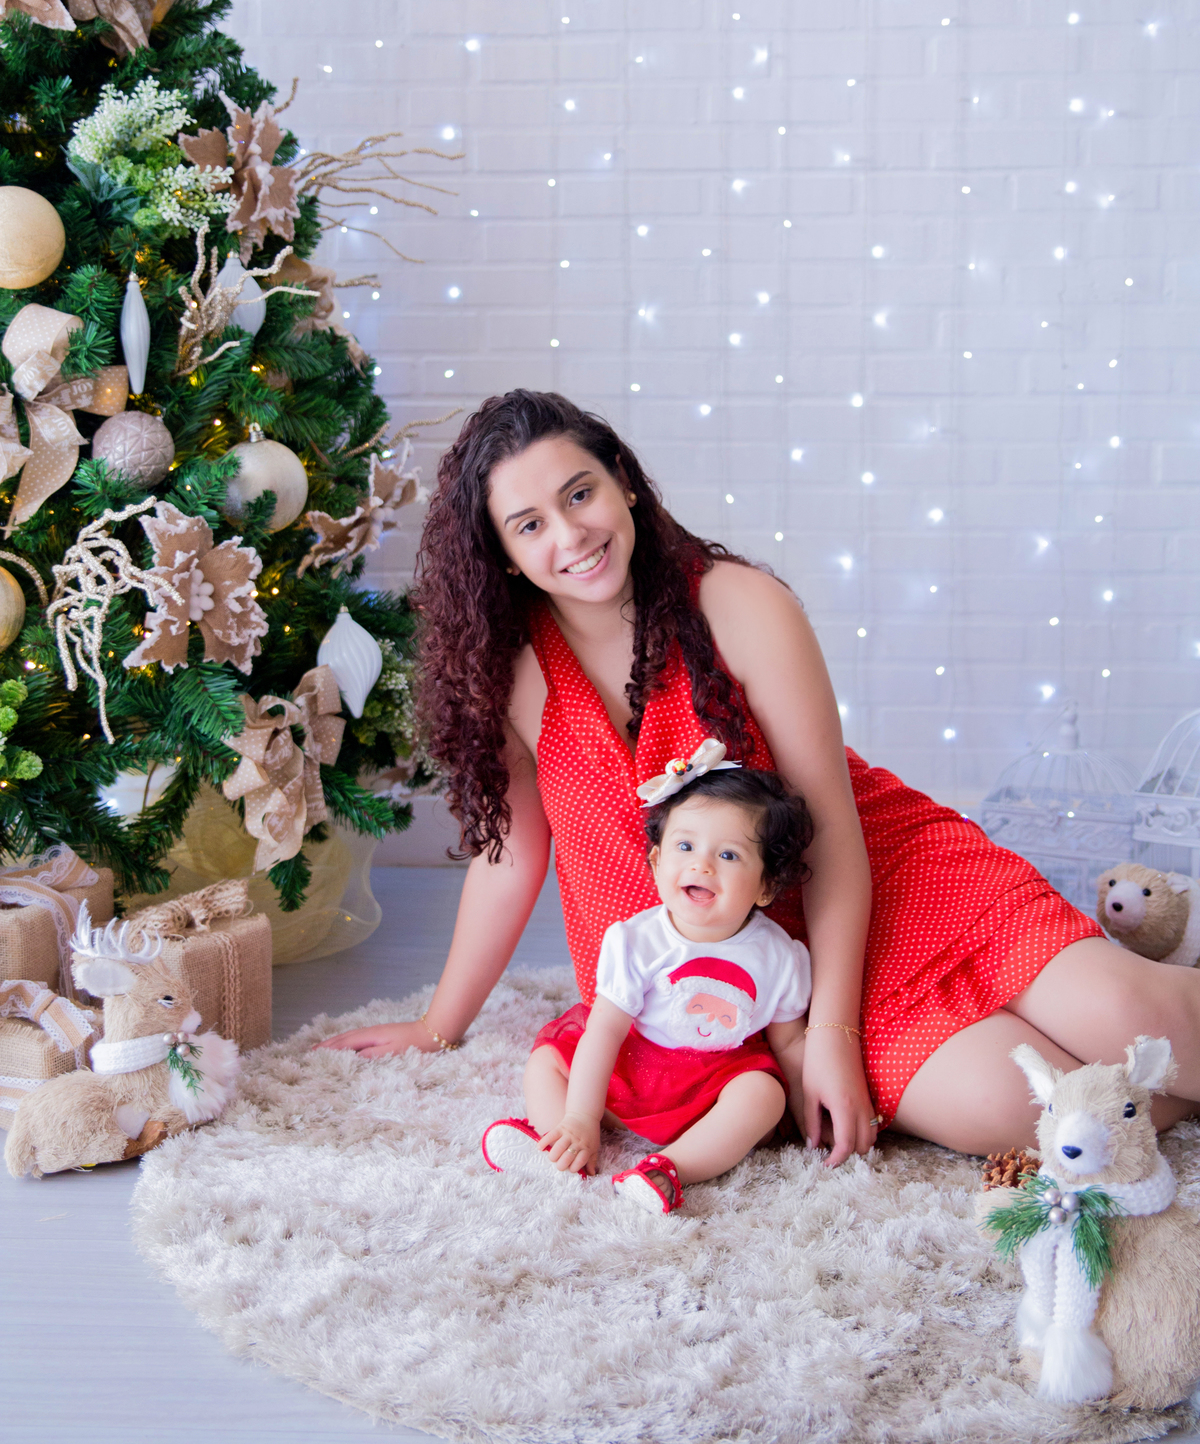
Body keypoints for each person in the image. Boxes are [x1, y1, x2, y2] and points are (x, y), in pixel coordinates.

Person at [319, 389, 1200, 1162]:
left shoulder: (737, 603)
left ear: (623, 482)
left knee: (1136, 1019)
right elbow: (511, 857)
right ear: (504, 555)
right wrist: (440, 1026)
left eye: (579, 493)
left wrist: (836, 1035)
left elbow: (835, 831)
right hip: (728, 967)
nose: (571, 534)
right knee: (1014, 1107)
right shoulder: (510, 671)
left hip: (876, 879)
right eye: (531, 524)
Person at [481, 752, 813, 1214]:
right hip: (629, 1068)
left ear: (766, 887)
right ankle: (563, 1142)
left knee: (763, 1094)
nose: (702, 866)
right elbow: (606, 1030)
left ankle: (668, 1168)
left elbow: (790, 1043)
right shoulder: (636, 940)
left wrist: (804, 1115)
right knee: (547, 1061)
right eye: (685, 847)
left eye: (729, 854)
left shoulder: (780, 955)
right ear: (656, 864)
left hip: (710, 1087)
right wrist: (582, 1113)